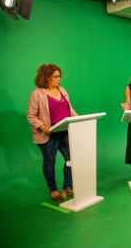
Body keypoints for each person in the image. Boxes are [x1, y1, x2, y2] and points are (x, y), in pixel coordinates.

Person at [27, 64, 77, 201]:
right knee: (50, 161)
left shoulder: (62, 90)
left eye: (59, 76)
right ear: (46, 77)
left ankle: (67, 186)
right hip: (48, 134)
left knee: (71, 159)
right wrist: (43, 127)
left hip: (64, 131)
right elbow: (31, 116)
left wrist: (79, 119)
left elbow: (70, 109)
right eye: (55, 77)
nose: (59, 79)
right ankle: (53, 190)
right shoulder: (37, 94)